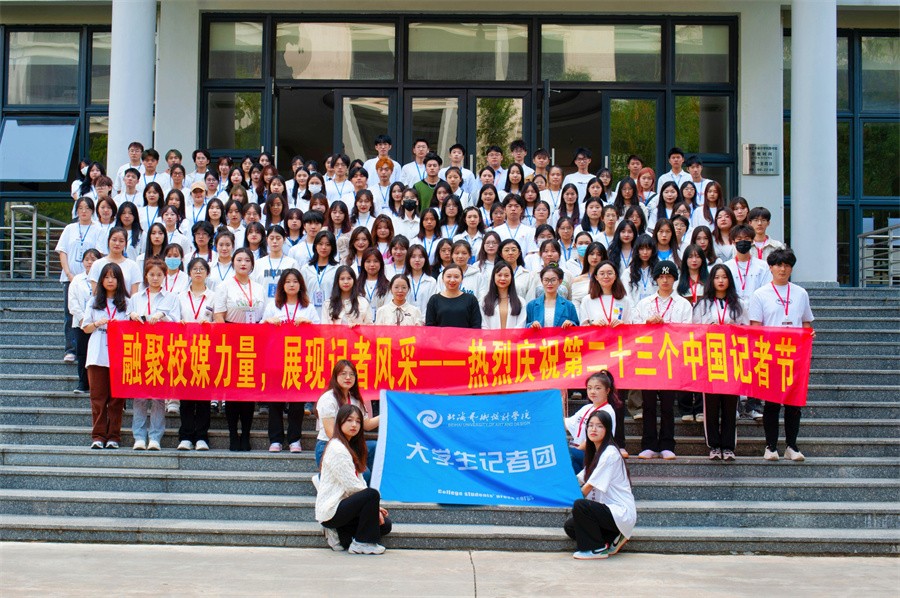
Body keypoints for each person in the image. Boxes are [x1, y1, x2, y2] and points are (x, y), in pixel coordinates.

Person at [749, 248, 816, 462]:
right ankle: (770, 446)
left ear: (791, 268)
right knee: (772, 403)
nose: (783, 269)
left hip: (795, 356)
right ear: (770, 267)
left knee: (794, 404)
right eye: (778, 265)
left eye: (787, 265)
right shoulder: (760, 294)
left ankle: (791, 446)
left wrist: (808, 335)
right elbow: (756, 327)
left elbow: (806, 322)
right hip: (771, 356)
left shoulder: (800, 293)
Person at [633, 260, 692, 460]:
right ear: (656, 279)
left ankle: (667, 444)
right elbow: (634, 327)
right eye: (661, 276)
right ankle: (648, 444)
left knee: (667, 404)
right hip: (649, 359)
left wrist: (667, 325)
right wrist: (647, 323)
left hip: (671, 359)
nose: (665, 280)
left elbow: (687, 330)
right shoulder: (645, 303)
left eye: (669, 276)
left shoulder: (683, 304)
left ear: (675, 279)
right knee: (648, 404)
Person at [315, 403, 392, 554]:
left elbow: (360, 480)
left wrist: (373, 509)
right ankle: (362, 543)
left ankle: (340, 535)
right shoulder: (337, 448)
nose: (354, 425)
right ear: (340, 422)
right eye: (349, 420)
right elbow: (352, 486)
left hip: (346, 508)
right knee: (371, 494)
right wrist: (374, 506)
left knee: (385, 525)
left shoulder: (351, 446)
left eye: (358, 421)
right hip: (333, 509)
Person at [693, 265, 750, 461]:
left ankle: (728, 446)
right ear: (711, 281)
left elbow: (747, 330)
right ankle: (714, 445)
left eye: (724, 277)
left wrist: (733, 329)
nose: (720, 281)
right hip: (710, 361)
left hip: (732, 360)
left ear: (729, 280)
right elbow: (693, 331)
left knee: (729, 405)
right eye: (717, 277)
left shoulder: (739, 304)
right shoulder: (703, 305)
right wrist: (709, 328)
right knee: (710, 405)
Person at [213, 248, 266, 451]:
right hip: (231, 338)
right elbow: (219, 316)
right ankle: (233, 434)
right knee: (233, 389)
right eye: (239, 260)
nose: (243, 263)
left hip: (254, 339)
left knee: (248, 389)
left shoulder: (259, 287)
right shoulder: (224, 286)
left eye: (247, 260)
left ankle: (246, 434)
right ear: (233, 263)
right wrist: (227, 339)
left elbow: (263, 313)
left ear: (252, 264)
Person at [563, 410, 635, 559]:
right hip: (606, 512)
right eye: (590, 425)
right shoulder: (596, 454)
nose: (593, 429)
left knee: (580, 505)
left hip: (619, 512)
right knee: (570, 526)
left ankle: (597, 549)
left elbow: (587, 487)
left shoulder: (610, 454)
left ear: (608, 430)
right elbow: (577, 480)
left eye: (599, 426)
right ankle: (614, 536)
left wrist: (566, 499)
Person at [262, 269, 320, 453]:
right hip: (276, 359)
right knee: (275, 401)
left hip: (299, 359)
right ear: (282, 285)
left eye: (295, 281)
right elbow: (261, 331)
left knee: (297, 402)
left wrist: (309, 324)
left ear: (300, 285)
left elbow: (319, 331)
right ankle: (276, 439)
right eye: (288, 281)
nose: (292, 285)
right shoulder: (273, 306)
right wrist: (268, 322)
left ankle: (295, 439)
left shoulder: (308, 307)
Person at [129, 258, 181, 449]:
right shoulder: (136, 298)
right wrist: (132, 315)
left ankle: (155, 437)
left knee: (159, 397)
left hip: (162, 350)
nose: (155, 278)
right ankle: (139, 436)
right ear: (146, 276)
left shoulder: (171, 297)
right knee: (140, 396)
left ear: (164, 276)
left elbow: (177, 321)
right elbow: (126, 317)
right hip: (140, 350)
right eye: (151, 274)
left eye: (159, 275)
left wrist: (162, 315)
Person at [81, 262, 133, 449]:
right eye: (107, 277)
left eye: (114, 277)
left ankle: (113, 436)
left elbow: (132, 327)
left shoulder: (127, 302)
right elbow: (85, 328)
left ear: (120, 281)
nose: (110, 280)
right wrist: (97, 323)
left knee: (117, 399)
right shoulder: (94, 302)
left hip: (119, 354)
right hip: (97, 353)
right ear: (101, 280)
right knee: (98, 397)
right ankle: (98, 436)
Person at [57, 197, 103, 362]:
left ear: (92, 211)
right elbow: (63, 252)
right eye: (81, 208)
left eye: (87, 208)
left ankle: (89, 347)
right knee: (71, 313)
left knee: (91, 312)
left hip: (92, 279)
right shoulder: (69, 228)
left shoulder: (98, 229)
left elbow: (100, 254)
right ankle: (71, 349)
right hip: (70, 278)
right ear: (76, 211)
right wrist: (69, 273)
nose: (84, 211)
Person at [176, 258, 215, 451]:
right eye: (194, 269)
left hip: (206, 350)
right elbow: (174, 319)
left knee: (203, 397)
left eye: (201, 269)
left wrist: (211, 325)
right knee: (186, 396)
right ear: (189, 273)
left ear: (207, 273)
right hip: (184, 350)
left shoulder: (213, 297)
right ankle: (185, 436)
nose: (198, 272)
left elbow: (219, 322)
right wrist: (179, 324)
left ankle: (201, 436)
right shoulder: (180, 296)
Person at [564, 371, 626, 474]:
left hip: (593, 454)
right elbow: (567, 423)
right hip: (578, 452)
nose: (592, 392)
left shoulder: (607, 411)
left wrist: (575, 451)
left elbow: (592, 440)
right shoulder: (587, 408)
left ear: (607, 390)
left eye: (597, 388)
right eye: (589, 388)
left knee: (566, 456)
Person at [68, 248, 102, 394]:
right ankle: (83, 383)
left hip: (99, 323)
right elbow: (72, 302)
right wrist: (83, 319)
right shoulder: (77, 280)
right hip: (80, 323)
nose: (90, 262)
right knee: (82, 353)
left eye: (93, 259)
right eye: (87, 259)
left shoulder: (104, 279)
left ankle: (98, 384)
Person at [480, 261, 527, 330]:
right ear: (493, 277)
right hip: (490, 337)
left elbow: (520, 326)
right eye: (499, 275)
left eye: (506, 275)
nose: (503, 278)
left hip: (514, 337)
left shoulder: (520, 302)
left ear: (511, 277)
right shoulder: (484, 301)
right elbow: (484, 325)